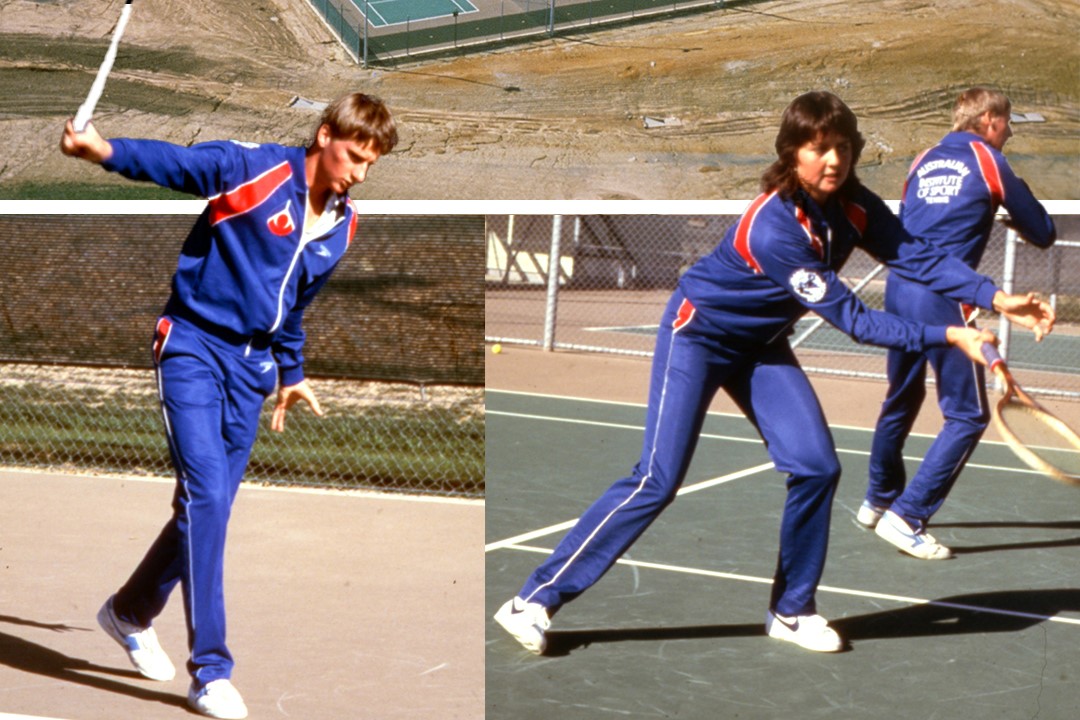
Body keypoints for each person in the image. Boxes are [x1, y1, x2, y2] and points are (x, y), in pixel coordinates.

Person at [494, 91, 1054, 655]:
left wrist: (997, 297)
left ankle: (791, 610)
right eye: (818, 148)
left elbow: (917, 254)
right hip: (698, 337)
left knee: (817, 467)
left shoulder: (855, 206)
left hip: (761, 348)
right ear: (791, 154)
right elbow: (856, 321)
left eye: (843, 147)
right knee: (657, 480)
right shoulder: (775, 228)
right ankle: (532, 600)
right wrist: (950, 334)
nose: (833, 160)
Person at [60, 93, 398, 719]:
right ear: (325, 135)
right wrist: (104, 151)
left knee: (207, 506)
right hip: (191, 345)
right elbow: (180, 164)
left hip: (252, 372)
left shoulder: (343, 224)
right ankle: (211, 671)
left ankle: (129, 611)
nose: (359, 173)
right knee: (208, 498)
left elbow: (294, 306)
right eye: (354, 156)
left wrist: (291, 372)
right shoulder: (254, 169)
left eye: (370, 164)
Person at [859, 87, 1056, 560]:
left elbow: (913, 227)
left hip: (898, 288)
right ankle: (907, 516)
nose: (1009, 132)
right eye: (1007, 123)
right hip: (940, 296)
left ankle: (877, 499)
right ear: (989, 121)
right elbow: (1045, 231)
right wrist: (1011, 207)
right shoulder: (989, 159)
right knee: (968, 415)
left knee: (901, 395)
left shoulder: (922, 159)